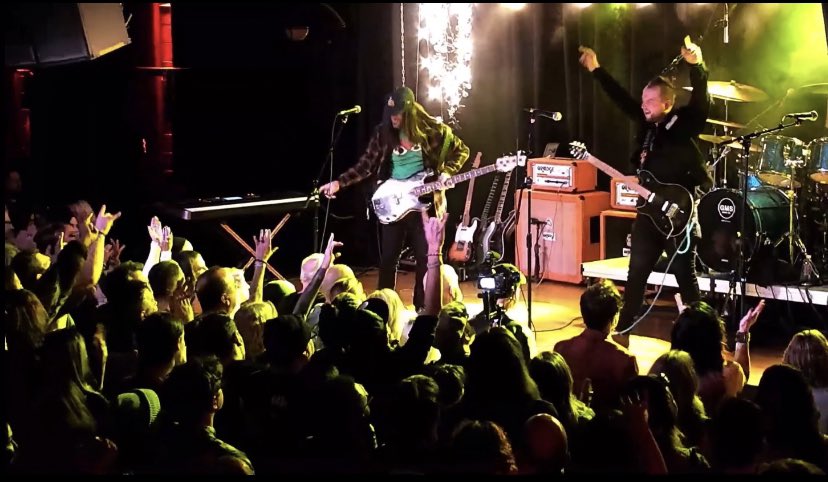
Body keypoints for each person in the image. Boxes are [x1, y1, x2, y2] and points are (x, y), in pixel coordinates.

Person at [578, 40, 712, 347]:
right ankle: (622, 333)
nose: (644, 105)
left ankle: (704, 338)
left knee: (685, 277)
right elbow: (621, 99)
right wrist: (597, 70)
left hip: (678, 214)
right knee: (636, 274)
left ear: (667, 103)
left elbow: (701, 103)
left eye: (650, 101)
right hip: (648, 213)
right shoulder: (646, 126)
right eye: (643, 100)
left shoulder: (682, 124)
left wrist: (698, 67)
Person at [319, 86, 470, 311]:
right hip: (394, 202)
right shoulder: (383, 133)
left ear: (410, 112)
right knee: (388, 258)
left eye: (398, 114)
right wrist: (339, 183)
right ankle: (382, 308)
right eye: (390, 114)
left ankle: (423, 309)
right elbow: (366, 165)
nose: (394, 118)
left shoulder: (433, 131)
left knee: (426, 258)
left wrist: (447, 172)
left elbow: (462, 150)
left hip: (425, 205)